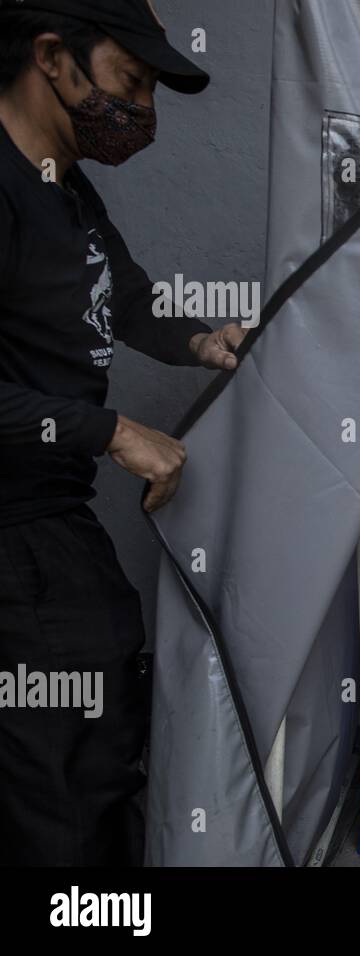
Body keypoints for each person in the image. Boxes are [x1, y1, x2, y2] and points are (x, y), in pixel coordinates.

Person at [0, 0, 245, 866]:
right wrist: (113, 433)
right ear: (53, 58)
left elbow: (132, 300)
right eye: (130, 82)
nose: (143, 111)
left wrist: (202, 340)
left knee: (99, 741)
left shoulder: (63, 186)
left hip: (52, 526)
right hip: (13, 535)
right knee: (59, 776)